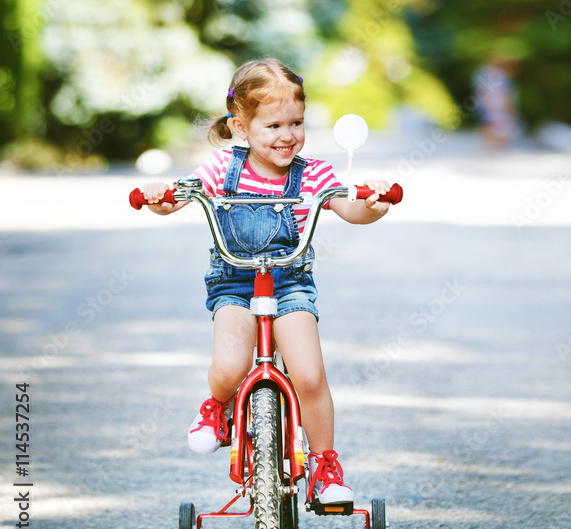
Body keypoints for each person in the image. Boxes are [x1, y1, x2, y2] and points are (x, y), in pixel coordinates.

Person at [140, 58, 391, 505]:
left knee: (310, 375)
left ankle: (324, 466)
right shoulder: (221, 168)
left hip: (290, 284)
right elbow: (178, 198)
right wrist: (160, 197)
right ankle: (216, 407)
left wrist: (374, 201)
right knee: (229, 367)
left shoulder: (313, 174)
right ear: (242, 126)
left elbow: (351, 210)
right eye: (273, 125)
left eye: (296, 123)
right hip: (235, 283)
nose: (287, 135)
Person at [472, 55, 523, 149]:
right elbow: (505, 95)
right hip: (498, 107)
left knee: (488, 124)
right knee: (503, 127)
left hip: (485, 105)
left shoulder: (482, 73)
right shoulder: (500, 76)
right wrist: (511, 108)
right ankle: (495, 147)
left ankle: (488, 147)